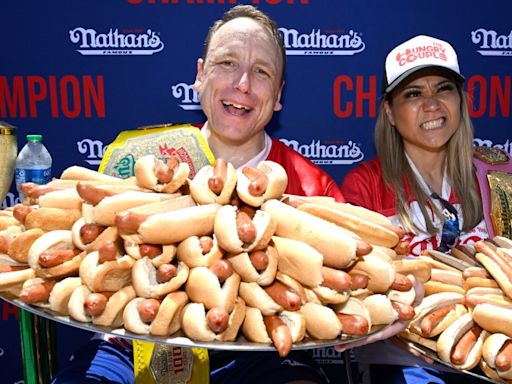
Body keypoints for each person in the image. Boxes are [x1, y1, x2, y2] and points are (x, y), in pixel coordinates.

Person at [50, 5, 345, 384]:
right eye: (227, 64)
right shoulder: (141, 158)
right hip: (132, 342)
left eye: (261, 72)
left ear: (277, 96)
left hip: (262, 351)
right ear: (200, 75)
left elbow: (356, 284)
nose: (242, 84)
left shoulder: (314, 189)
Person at [340, 35, 490, 384]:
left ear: (461, 101)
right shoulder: (365, 185)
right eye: (413, 94)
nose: (432, 104)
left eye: (443, 89)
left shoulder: (497, 176)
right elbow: (357, 289)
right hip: (400, 360)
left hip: (489, 357)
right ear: (390, 112)